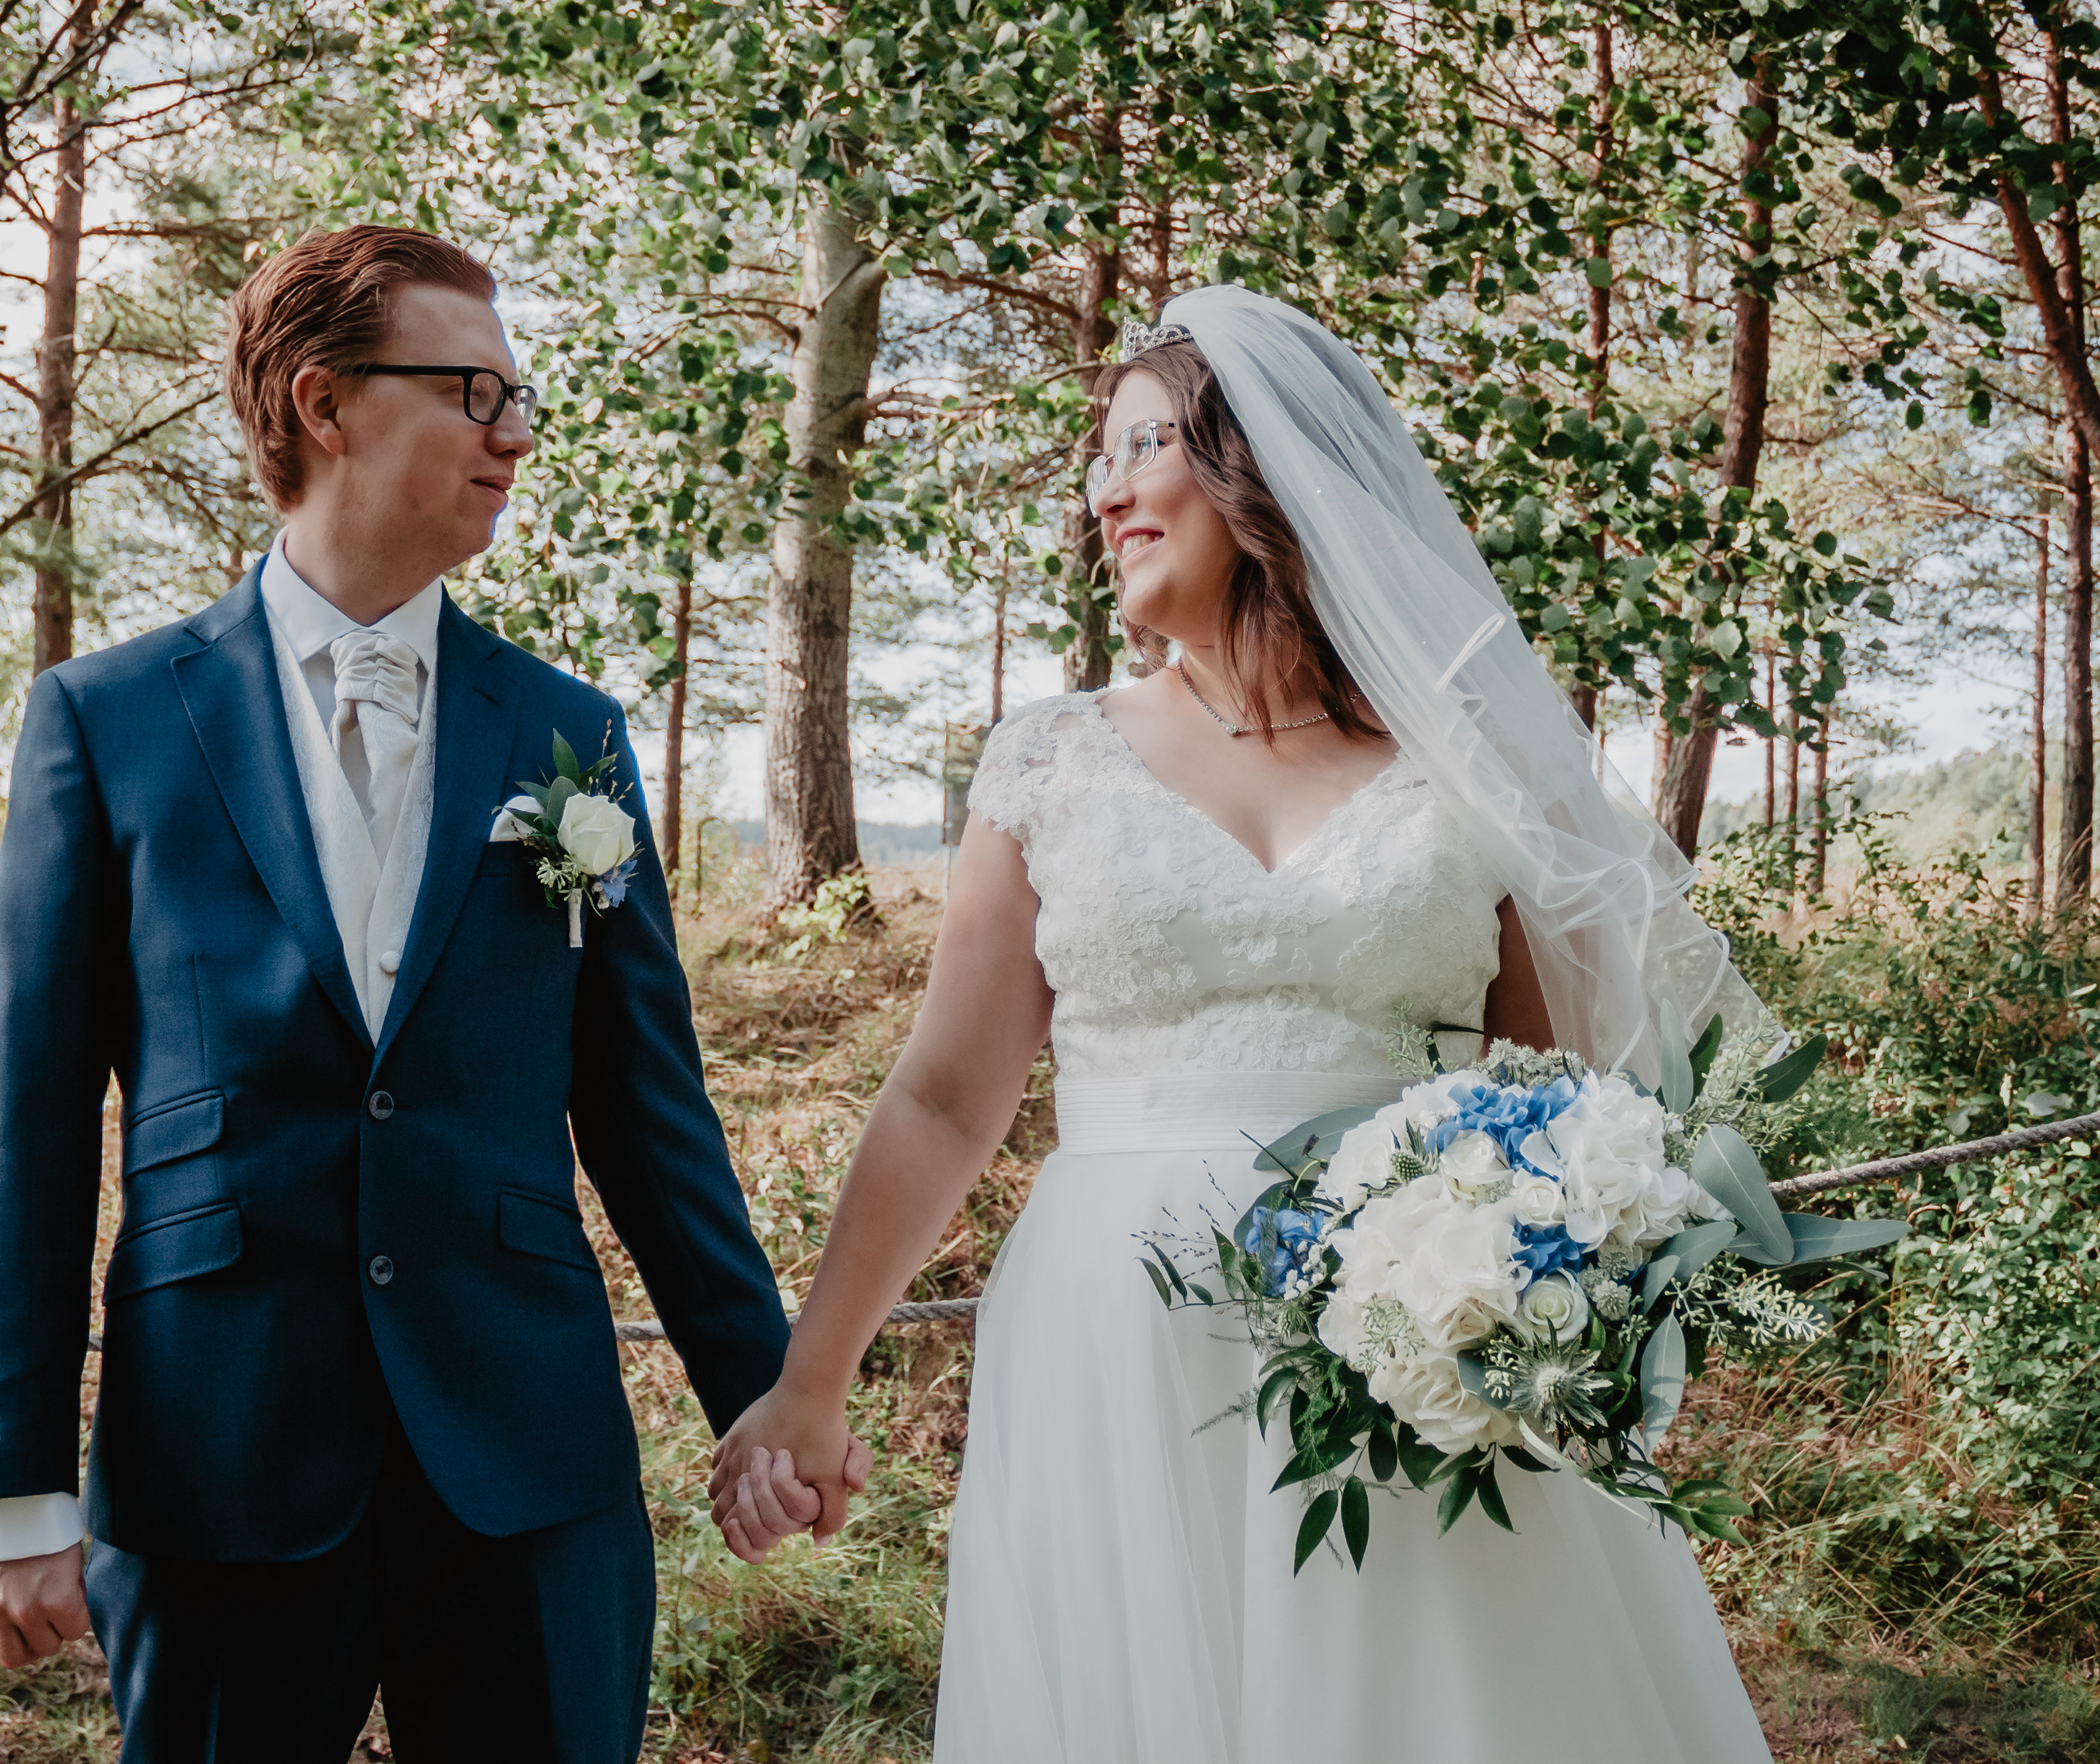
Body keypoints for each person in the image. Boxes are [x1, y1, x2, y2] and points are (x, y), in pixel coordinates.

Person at [710, 286, 1774, 1760]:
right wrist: (809, 1382)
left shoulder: (1465, 768)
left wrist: (1527, 1304)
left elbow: (1555, 1100)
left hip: (1415, 1354)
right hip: (1115, 1347)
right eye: (1100, 458)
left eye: (1144, 445)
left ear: (1261, 468)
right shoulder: (1049, 761)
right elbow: (946, 1100)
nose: (1106, 491)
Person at [0, 225, 824, 1762]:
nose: (515, 433)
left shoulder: (569, 733)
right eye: (474, 390)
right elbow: (25, 1124)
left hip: (526, 1457)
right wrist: (14, 1485)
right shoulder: (107, 720)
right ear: (324, 403)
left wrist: (764, 1388)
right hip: (219, 1452)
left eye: (519, 395)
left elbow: (649, 1108)